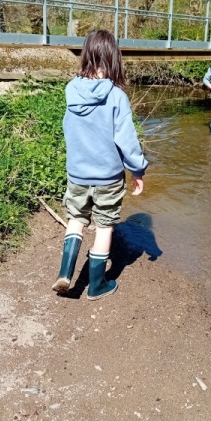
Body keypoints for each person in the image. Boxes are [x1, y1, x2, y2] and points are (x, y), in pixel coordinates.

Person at [52, 29, 148, 300]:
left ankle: (65, 273)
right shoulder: (116, 96)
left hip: (78, 174)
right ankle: (96, 285)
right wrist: (138, 170)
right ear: (113, 58)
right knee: (104, 226)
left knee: (76, 219)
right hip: (108, 177)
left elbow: (70, 130)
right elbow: (127, 141)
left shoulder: (71, 90)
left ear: (86, 55)